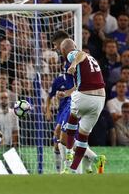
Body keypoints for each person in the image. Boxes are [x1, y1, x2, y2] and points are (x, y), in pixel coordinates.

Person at [60, 38, 106, 174]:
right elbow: (79, 84)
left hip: (84, 97)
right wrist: (66, 93)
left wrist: (73, 63)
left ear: (64, 50)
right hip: (100, 100)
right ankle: (73, 170)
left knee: (71, 123)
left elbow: (80, 54)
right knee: (82, 137)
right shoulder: (91, 59)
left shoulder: (73, 54)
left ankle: (68, 152)